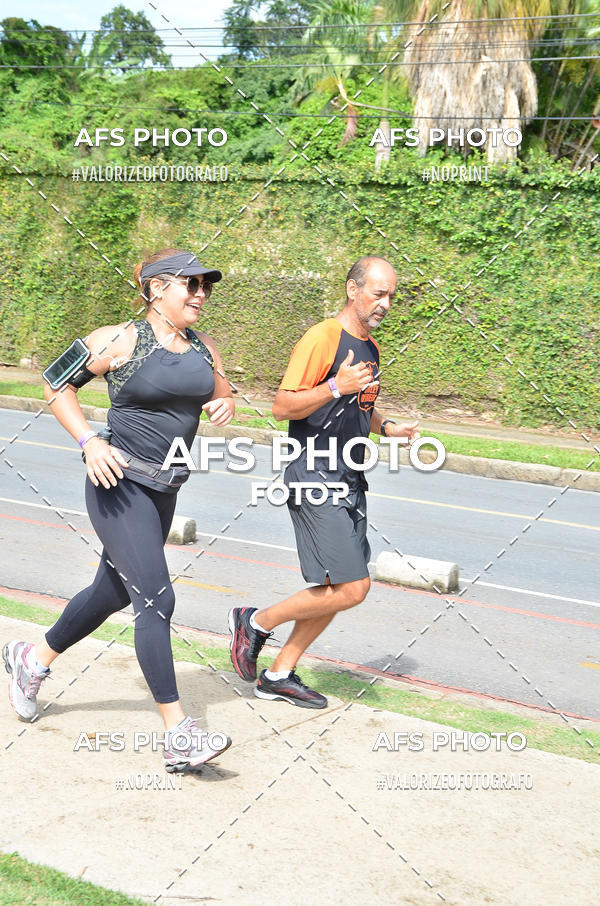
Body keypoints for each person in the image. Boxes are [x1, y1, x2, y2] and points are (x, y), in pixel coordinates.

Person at [3, 248, 235, 771]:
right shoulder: (118, 339)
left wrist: (226, 403)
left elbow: (221, 391)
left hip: (166, 488)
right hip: (117, 482)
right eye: (190, 284)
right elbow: (54, 380)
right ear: (155, 288)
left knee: (111, 591)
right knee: (156, 600)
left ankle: (31, 659)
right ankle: (178, 733)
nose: (201, 294)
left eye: (206, 286)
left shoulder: (204, 348)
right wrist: (89, 441)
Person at [228, 255, 420, 708]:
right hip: (313, 473)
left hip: (349, 475)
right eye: (378, 293)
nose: (386, 303)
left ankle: (278, 674)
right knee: (354, 588)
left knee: (334, 588)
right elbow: (282, 406)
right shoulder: (323, 337)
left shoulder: (369, 347)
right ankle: (254, 622)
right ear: (353, 290)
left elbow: (359, 407)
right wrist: (336, 386)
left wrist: (387, 427)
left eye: (391, 295)